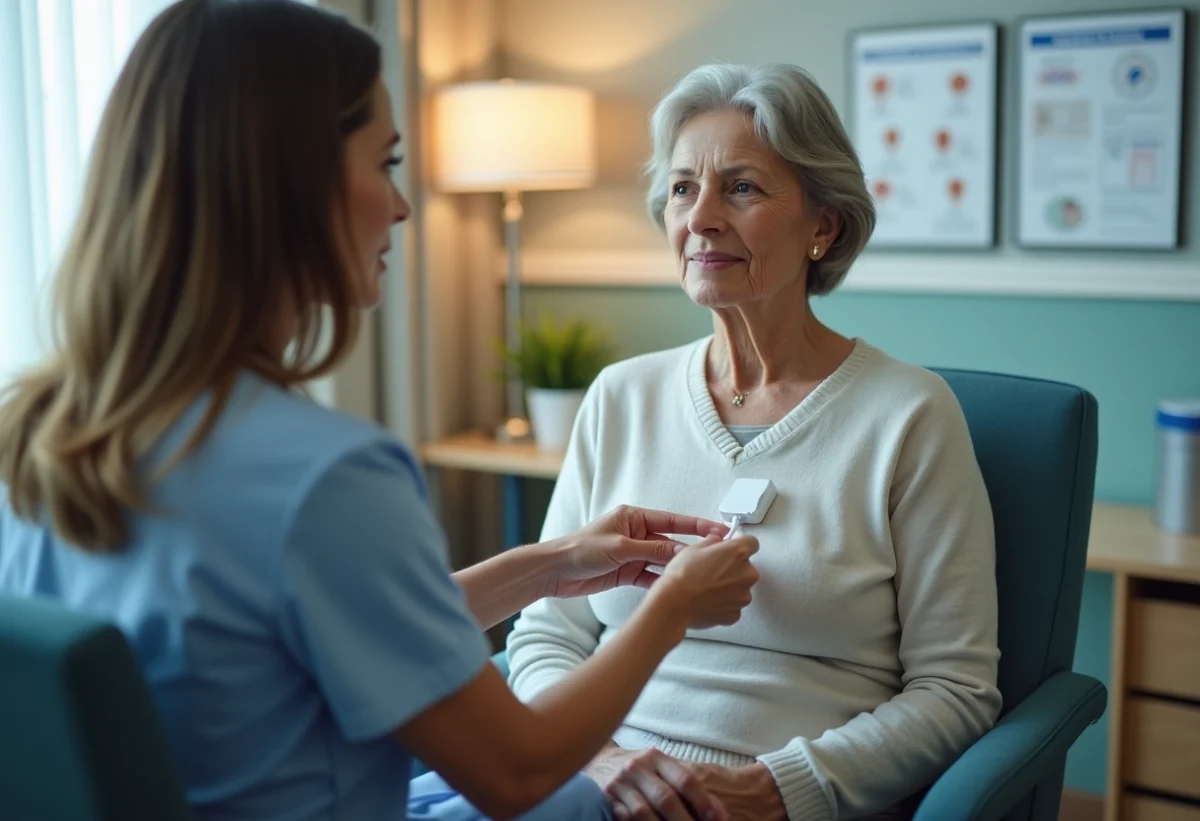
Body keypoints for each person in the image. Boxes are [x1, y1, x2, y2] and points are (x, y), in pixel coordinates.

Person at [0, 4, 761, 820]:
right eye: (385, 162)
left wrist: (554, 562)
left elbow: (346, 622)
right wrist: (672, 606)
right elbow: (518, 769)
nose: (401, 206)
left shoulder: (42, 433)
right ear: (291, 184)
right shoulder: (323, 477)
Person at [506, 63, 1002, 821]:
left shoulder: (909, 415)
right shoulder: (620, 395)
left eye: (741, 187)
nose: (701, 217)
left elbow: (956, 690)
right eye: (682, 188)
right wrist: (596, 761)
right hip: (589, 787)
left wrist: (773, 790)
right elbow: (546, 633)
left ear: (823, 227)